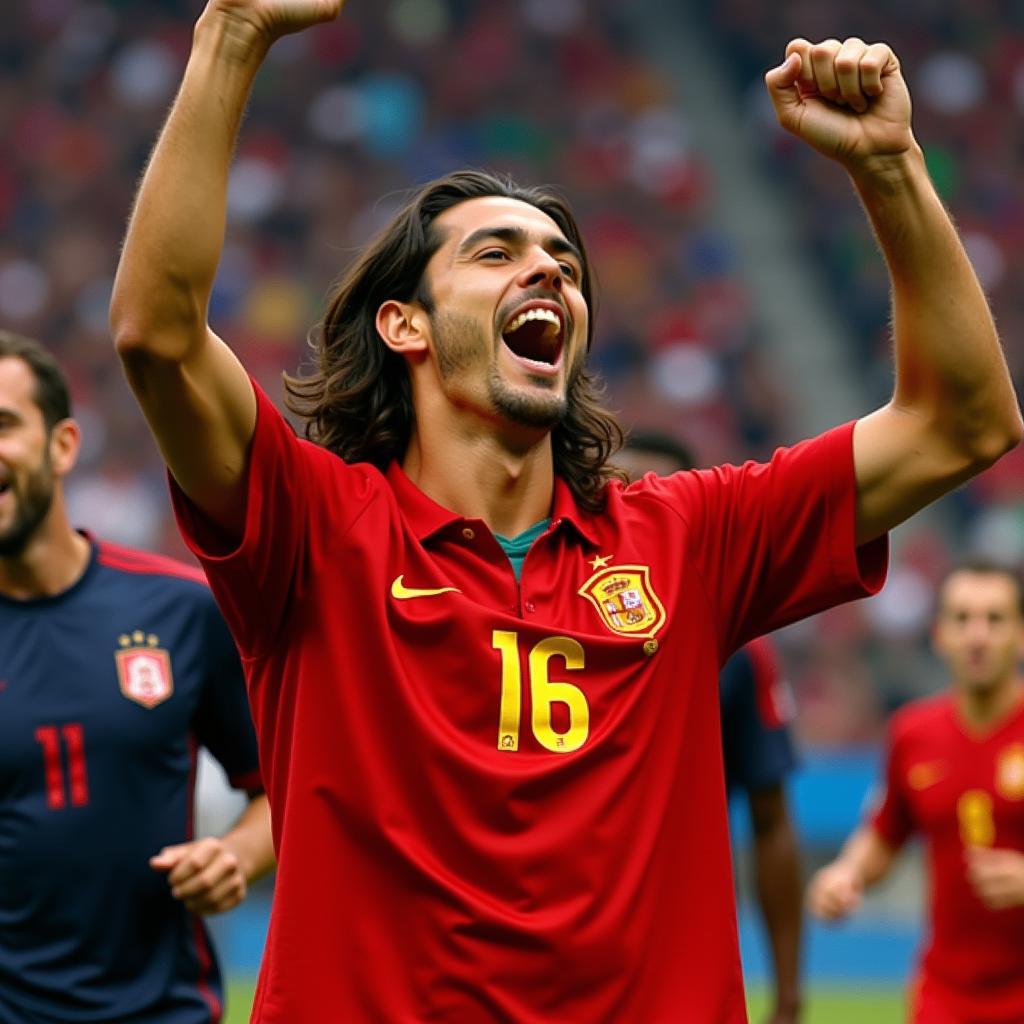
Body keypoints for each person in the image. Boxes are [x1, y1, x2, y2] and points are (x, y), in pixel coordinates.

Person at [108, 1, 1022, 1018]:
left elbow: (962, 424)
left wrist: (888, 167)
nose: (548, 268)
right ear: (403, 323)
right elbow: (157, 334)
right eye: (494, 253)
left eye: (564, 264)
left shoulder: (688, 537)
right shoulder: (311, 529)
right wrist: (231, 35)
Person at [0, 330, 276, 1024]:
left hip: (164, 1010)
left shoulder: (179, 610)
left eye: (3, 427)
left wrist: (236, 857)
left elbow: (285, 786)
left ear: (63, 445)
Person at [618, 432, 803, 1024]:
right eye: (619, 491)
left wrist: (789, 992)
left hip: (679, 947)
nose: (631, 507)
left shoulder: (742, 656)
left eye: (654, 495)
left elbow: (771, 820)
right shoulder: (535, 627)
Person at [808, 561, 1024, 1023]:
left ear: (1020, 634)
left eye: (995, 619)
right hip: (944, 998)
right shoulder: (913, 734)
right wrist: (847, 873)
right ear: (939, 634)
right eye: (963, 619)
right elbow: (886, 834)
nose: (978, 635)